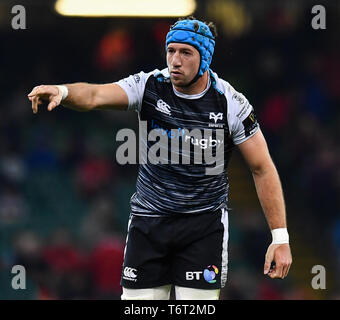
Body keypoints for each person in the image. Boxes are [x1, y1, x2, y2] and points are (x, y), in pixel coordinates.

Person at [27, 17, 292, 300]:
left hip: (202, 228)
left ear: (205, 58)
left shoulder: (230, 103)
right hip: (149, 224)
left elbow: (262, 168)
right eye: (171, 51)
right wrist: (63, 91)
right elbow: (94, 94)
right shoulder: (150, 85)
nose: (175, 60)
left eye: (186, 52)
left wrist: (280, 238)